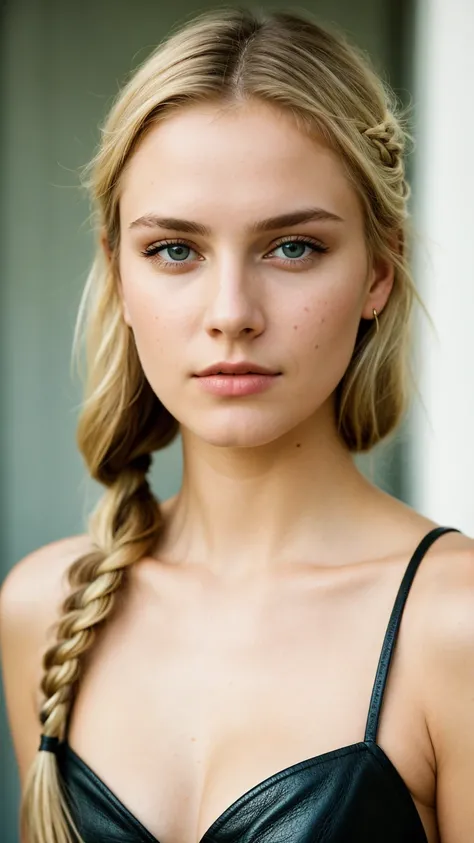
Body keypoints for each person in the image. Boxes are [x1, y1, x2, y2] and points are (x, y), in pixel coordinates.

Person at [1, 5, 474, 843]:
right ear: (117, 274)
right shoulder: (45, 608)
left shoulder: (456, 623)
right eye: (175, 250)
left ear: (378, 273)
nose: (231, 313)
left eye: (292, 247)